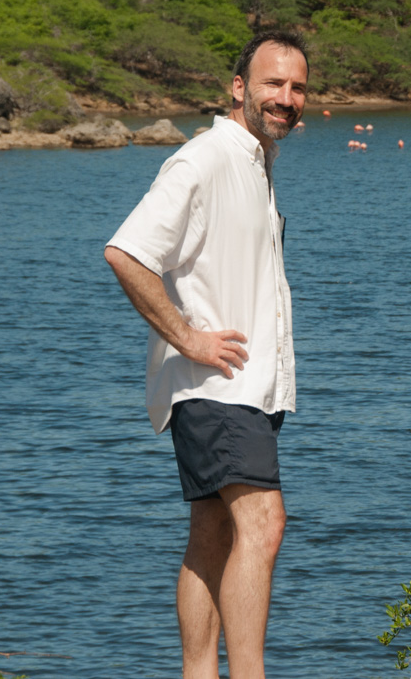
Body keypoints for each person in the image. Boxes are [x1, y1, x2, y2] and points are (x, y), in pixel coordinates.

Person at [104, 33, 309, 679]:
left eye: (298, 88)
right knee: (265, 523)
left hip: (243, 389)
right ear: (239, 87)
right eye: (273, 84)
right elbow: (127, 252)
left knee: (213, 536)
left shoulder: (254, 160)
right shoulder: (207, 158)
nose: (287, 98)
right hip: (215, 385)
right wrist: (188, 338)